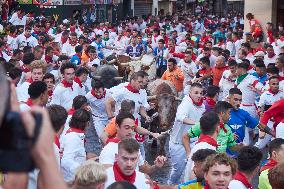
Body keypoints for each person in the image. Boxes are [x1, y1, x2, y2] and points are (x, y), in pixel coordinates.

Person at [99, 112, 166, 175]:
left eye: (133, 128)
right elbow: (108, 178)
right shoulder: (108, 150)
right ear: (117, 126)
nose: (131, 131)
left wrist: (156, 166)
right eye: (127, 128)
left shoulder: (134, 147)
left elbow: (144, 170)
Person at [168, 82, 205, 185]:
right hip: (178, 144)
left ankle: (184, 186)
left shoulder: (202, 106)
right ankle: (169, 185)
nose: (199, 95)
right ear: (190, 92)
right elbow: (181, 117)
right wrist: (197, 124)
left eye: (201, 93)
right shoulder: (185, 104)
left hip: (193, 142)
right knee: (177, 171)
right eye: (196, 93)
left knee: (190, 170)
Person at [61, 109, 91, 182]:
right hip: (71, 180)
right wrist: (83, 170)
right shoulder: (74, 138)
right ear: (87, 123)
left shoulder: (74, 134)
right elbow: (66, 161)